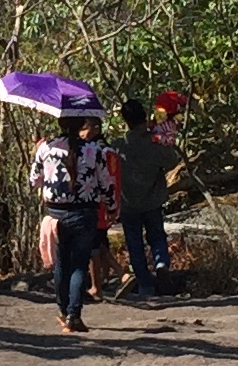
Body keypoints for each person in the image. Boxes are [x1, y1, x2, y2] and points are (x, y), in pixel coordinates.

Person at [30, 108, 109, 335]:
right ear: (82, 123)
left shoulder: (46, 148)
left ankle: (63, 310)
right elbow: (105, 183)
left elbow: (34, 180)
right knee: (79, 264)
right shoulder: (93, 150)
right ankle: (75, 314)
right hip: (85, 212)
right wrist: (111, 208)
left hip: (55, 214)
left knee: (61, 262)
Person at [114, 97, 181, 294]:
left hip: (128, 203)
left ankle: (145, 284)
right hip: (152, 200)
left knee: (134, 243)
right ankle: (161, 264)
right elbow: (171, 161)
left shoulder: (119, 146)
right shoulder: (154, 143)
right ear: (144, 116)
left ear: (126, 120)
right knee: (157, 236)